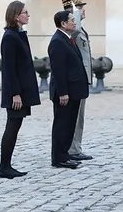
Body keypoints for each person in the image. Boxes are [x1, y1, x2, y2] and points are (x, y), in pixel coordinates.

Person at [0, 0, 41, 179]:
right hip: (16, 92)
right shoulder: (9, 37)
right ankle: (4, 166)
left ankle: (7, 165)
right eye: (25, 12)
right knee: (12, 127)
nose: (28, 15)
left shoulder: (18, 34)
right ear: (16, 16)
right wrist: (15, 94)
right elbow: (9, 69)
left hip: (22, 90)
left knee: (15, 126)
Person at [48, 10, 90, 169]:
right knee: (62, 125)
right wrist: (63, 92)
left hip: (74, 91)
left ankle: (65, 155)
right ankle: (59, 158)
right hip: (66, 93)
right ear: (63, 24)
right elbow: (58, 70)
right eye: (72, 20)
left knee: (69, 124)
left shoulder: (68, 39)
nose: (75, 22)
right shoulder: (58, 41)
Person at [61, 0, 93, 161]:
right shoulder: (73, 30)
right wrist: (75, 13)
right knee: (74, 117)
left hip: (83, 78)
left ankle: (75, 147)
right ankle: (72, 149)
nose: (83, 11)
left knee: (79, 117)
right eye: (80, 8)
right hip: (76, 79)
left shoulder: (80, 30)